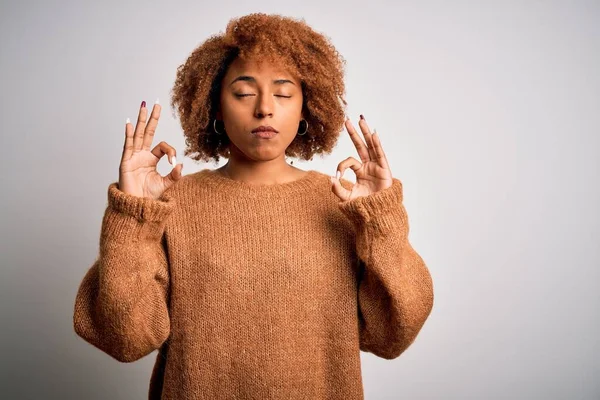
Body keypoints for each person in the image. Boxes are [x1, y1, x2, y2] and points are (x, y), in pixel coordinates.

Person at [73, 12, 434, 400]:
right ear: (214, 107)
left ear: (305, 109)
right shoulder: (169, 205)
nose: (264, 108)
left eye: (282, 93)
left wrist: (380, 220)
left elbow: (394, 333)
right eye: (244, 93)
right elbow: (124, 338)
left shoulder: (342, 205)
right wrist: (132, 217)